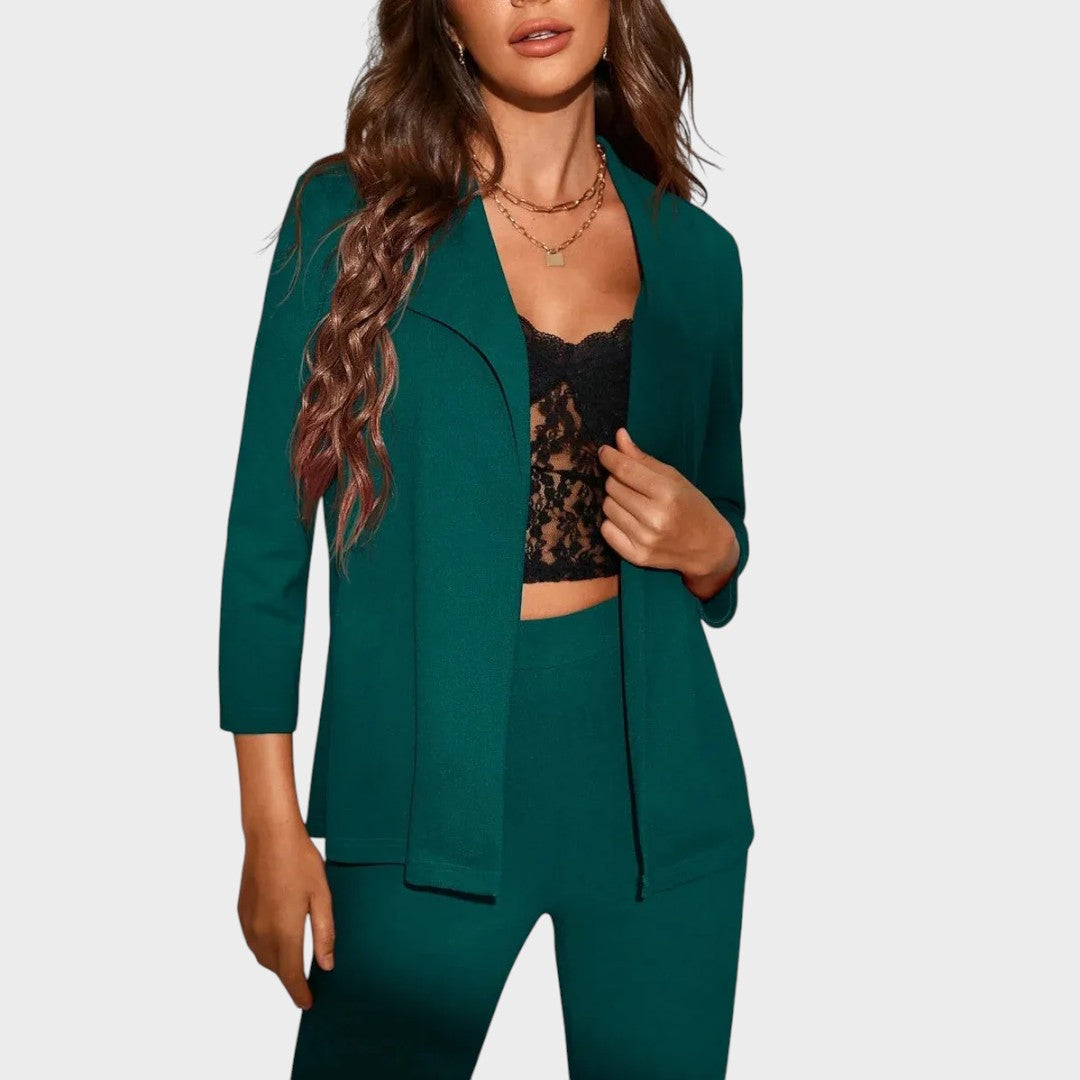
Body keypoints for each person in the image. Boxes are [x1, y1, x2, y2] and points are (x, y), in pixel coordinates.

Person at [219, 1, 755, 1076]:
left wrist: (717, 549)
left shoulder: (698, 255)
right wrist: (269, 823)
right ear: (444, 19)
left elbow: (720, 525)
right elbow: (266, 546)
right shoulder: (348, 220)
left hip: (662, 800)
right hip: (418, 793)